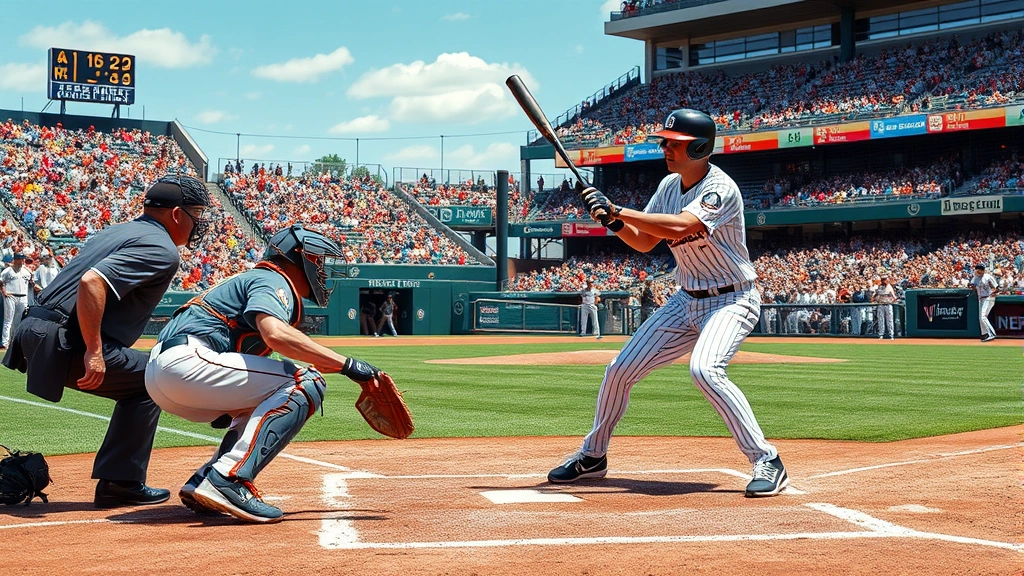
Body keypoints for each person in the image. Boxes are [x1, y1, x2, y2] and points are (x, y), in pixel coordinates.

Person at [548, 109, 788, 498]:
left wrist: (618, 209)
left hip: (733, 298)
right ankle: (593, 456)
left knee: (705, 370)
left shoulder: (719, 188)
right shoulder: (668, 186)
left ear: (699, 146)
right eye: (664, 142)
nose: (665, 148)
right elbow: (645, 241)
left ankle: (768, 460)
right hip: (684, 300)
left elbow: (682, 226)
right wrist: (613, 222)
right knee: (619, 370)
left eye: (673, 143)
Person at [145, 224, 385, 523]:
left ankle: (205, 479)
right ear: (299, 257)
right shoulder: (274, 278)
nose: (322, 270)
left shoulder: (252, 278)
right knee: (304, 381)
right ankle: (228, 479)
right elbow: (275, 335)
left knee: (267, 399)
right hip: (189, 361)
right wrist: (347, 364)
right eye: (318, 261)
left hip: (166, 372)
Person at [2, 174, 212, 508]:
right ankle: (120, 483)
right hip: (64, 336)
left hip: (34, 327)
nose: (198, 223)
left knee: (142, 379)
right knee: (153, 378)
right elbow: (92, 282)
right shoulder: (163, 248)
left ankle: (120, 479)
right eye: (196, 214)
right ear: (176, 214)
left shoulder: (118, 229)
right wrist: (95, 352)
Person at [1, 253, 32, 348]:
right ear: (15, 259)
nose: (22, 261)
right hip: (11, 296)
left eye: (22, 259)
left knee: (19, 321)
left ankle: (15, 340)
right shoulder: (8, 271)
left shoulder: (26, 271)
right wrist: (4, 292)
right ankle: (5, 342)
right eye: (20, 259)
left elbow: (31, 282)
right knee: (8, 320)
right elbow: (1, 281)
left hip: (23, 297)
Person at [969, 263, 998, 342]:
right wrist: (972, 286)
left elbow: (996, 287)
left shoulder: (988, 277)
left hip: (988, 298)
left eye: (982, 269)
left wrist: (993, 295)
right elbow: (972, 286)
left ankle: (991, 334)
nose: (980, 270)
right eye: (979, 269)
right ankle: (984, 334)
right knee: (981, 318)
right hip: (980, 299)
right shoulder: (975, 278)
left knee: (983, 317)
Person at [873, 274, 896, 339]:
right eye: (883, 280)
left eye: (885, 280)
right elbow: (875, 296)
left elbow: (894, 297)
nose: (884, 281)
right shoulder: (879, 287)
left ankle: (891, 335)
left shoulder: (889, 287)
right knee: (880, 320)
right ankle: (881, 334)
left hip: (888, 305)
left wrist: (891, 301)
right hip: (880, 304)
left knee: (890, 320)